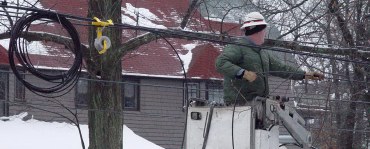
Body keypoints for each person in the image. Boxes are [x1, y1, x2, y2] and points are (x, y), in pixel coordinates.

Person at [215, 12, 324, 105]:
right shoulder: (238, 47)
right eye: (264, 30)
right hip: (238, 106)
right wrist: (243, 73)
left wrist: (305, 75)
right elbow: (220, 63)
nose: (265, 34)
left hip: (259, 104)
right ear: (257, 31)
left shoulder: (263, 53)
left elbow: (282, 68)